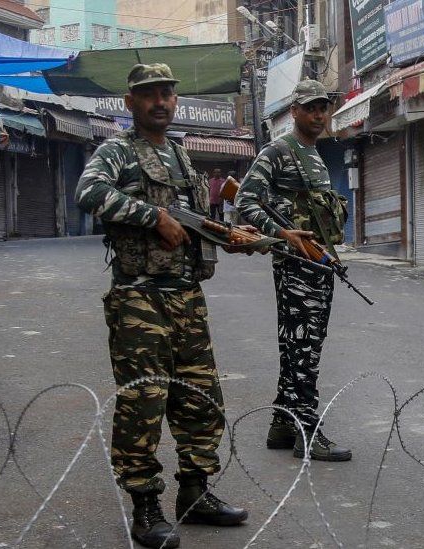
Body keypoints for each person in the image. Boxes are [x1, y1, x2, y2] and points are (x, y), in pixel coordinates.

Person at [75, 63, 248, 549]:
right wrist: (152, 216)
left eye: (167, 94)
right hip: (139, 298)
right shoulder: (116, 151)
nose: (160, 102)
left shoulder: (178, 155)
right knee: (143, 402)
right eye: (149, 95)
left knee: (199, 397)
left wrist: (232, 236)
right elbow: (88, 192)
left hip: (187, 297)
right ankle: (145, 505)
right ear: (131, 104)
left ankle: (195, 494)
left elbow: (191, 221)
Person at [235, 79, 352, 462]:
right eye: (311, 108)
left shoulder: (314, 154)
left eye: (324, 108)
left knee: (299, 346)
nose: (319, 115)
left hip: (318, 263)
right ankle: (307, 429)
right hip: (296, 266)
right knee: (303, 349)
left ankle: (283, 426)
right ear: (295, 112)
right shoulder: (279, 150)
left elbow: (318, 213)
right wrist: (281, 233)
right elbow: (245, 201)